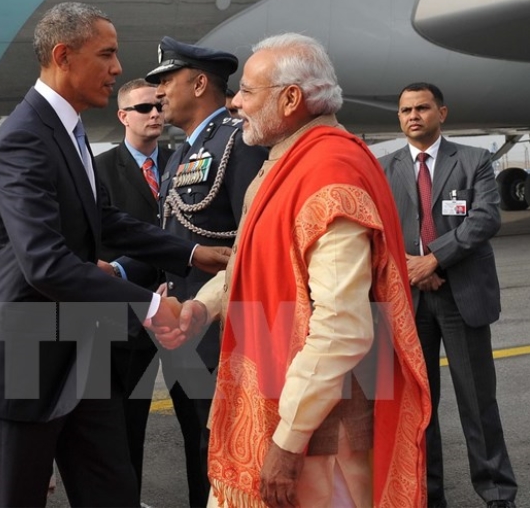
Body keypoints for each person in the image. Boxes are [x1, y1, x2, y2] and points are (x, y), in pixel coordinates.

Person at [0, 3, 228, 508]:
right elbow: (45, 263)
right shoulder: (23, 140)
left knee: (111, 488)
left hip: (81, 339)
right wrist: (147, 304)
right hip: (29, 345)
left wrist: (191, 253)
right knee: (21, 495)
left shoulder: (69, 130)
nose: (119, 68)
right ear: (63, 56)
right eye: (107, 54)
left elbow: (107, 220)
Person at [153, 32, 432, 508]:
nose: (235, 102)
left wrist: (287, 442)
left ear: (290, 99)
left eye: (247, 92)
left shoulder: (329, 173)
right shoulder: (286, 162)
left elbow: (342, 328)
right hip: (280, 407)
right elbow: (249, 259)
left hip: (320, 435)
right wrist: (202, 309)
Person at [379, 82, 517, 508]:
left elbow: (484, 219)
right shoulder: (384, 168)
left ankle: (497, 493)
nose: (413, 116)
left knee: (478, 403)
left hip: (463, 299)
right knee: (419, 406)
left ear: (442, 113)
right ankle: (426, 492)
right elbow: (377, 228)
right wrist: (413, 269)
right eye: (405, 110)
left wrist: (433, 260)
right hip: (410, 300)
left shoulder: (474, 161)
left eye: (422, 108)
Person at [143, 36, 267, 507]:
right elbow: (175, 230)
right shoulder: (180, 153)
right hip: (183, 327)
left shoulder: (239, 142)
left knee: (224, 445)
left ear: (198, 84)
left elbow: (250, 241)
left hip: (222, 329)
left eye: (166, 81)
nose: (159, 94)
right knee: (197, 444)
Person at [94, 78, 174, 493]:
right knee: (126, 425)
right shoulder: (100, 170)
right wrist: (123, 272)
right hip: (128, 314)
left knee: (198, 424)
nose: (156, 114)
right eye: (144, 108)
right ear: (123, 116)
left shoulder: (181, 162)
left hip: (182, 311)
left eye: (159, 105)